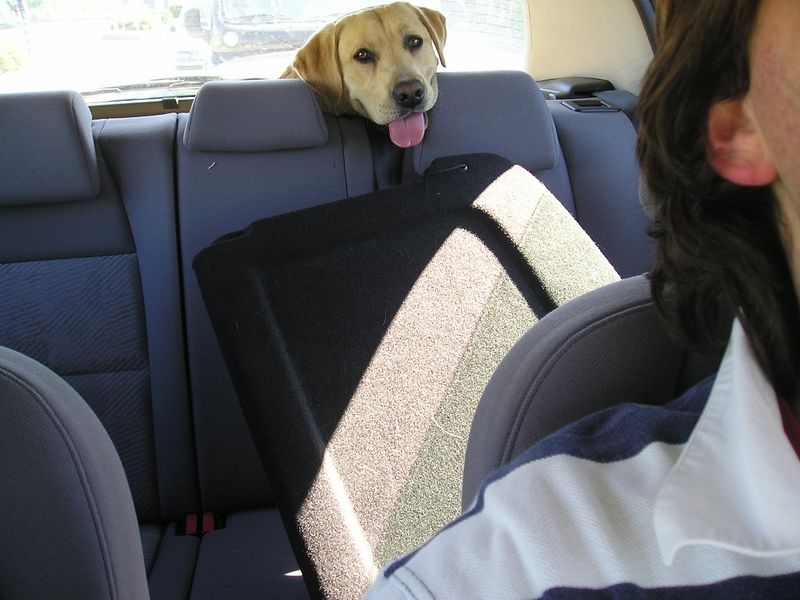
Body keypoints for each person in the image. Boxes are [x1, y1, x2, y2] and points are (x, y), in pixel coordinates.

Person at [363, 0, 800, 597]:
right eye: (366, 57)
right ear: (735, 124)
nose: (404, 77)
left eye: (414, 44)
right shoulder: (519, 562)